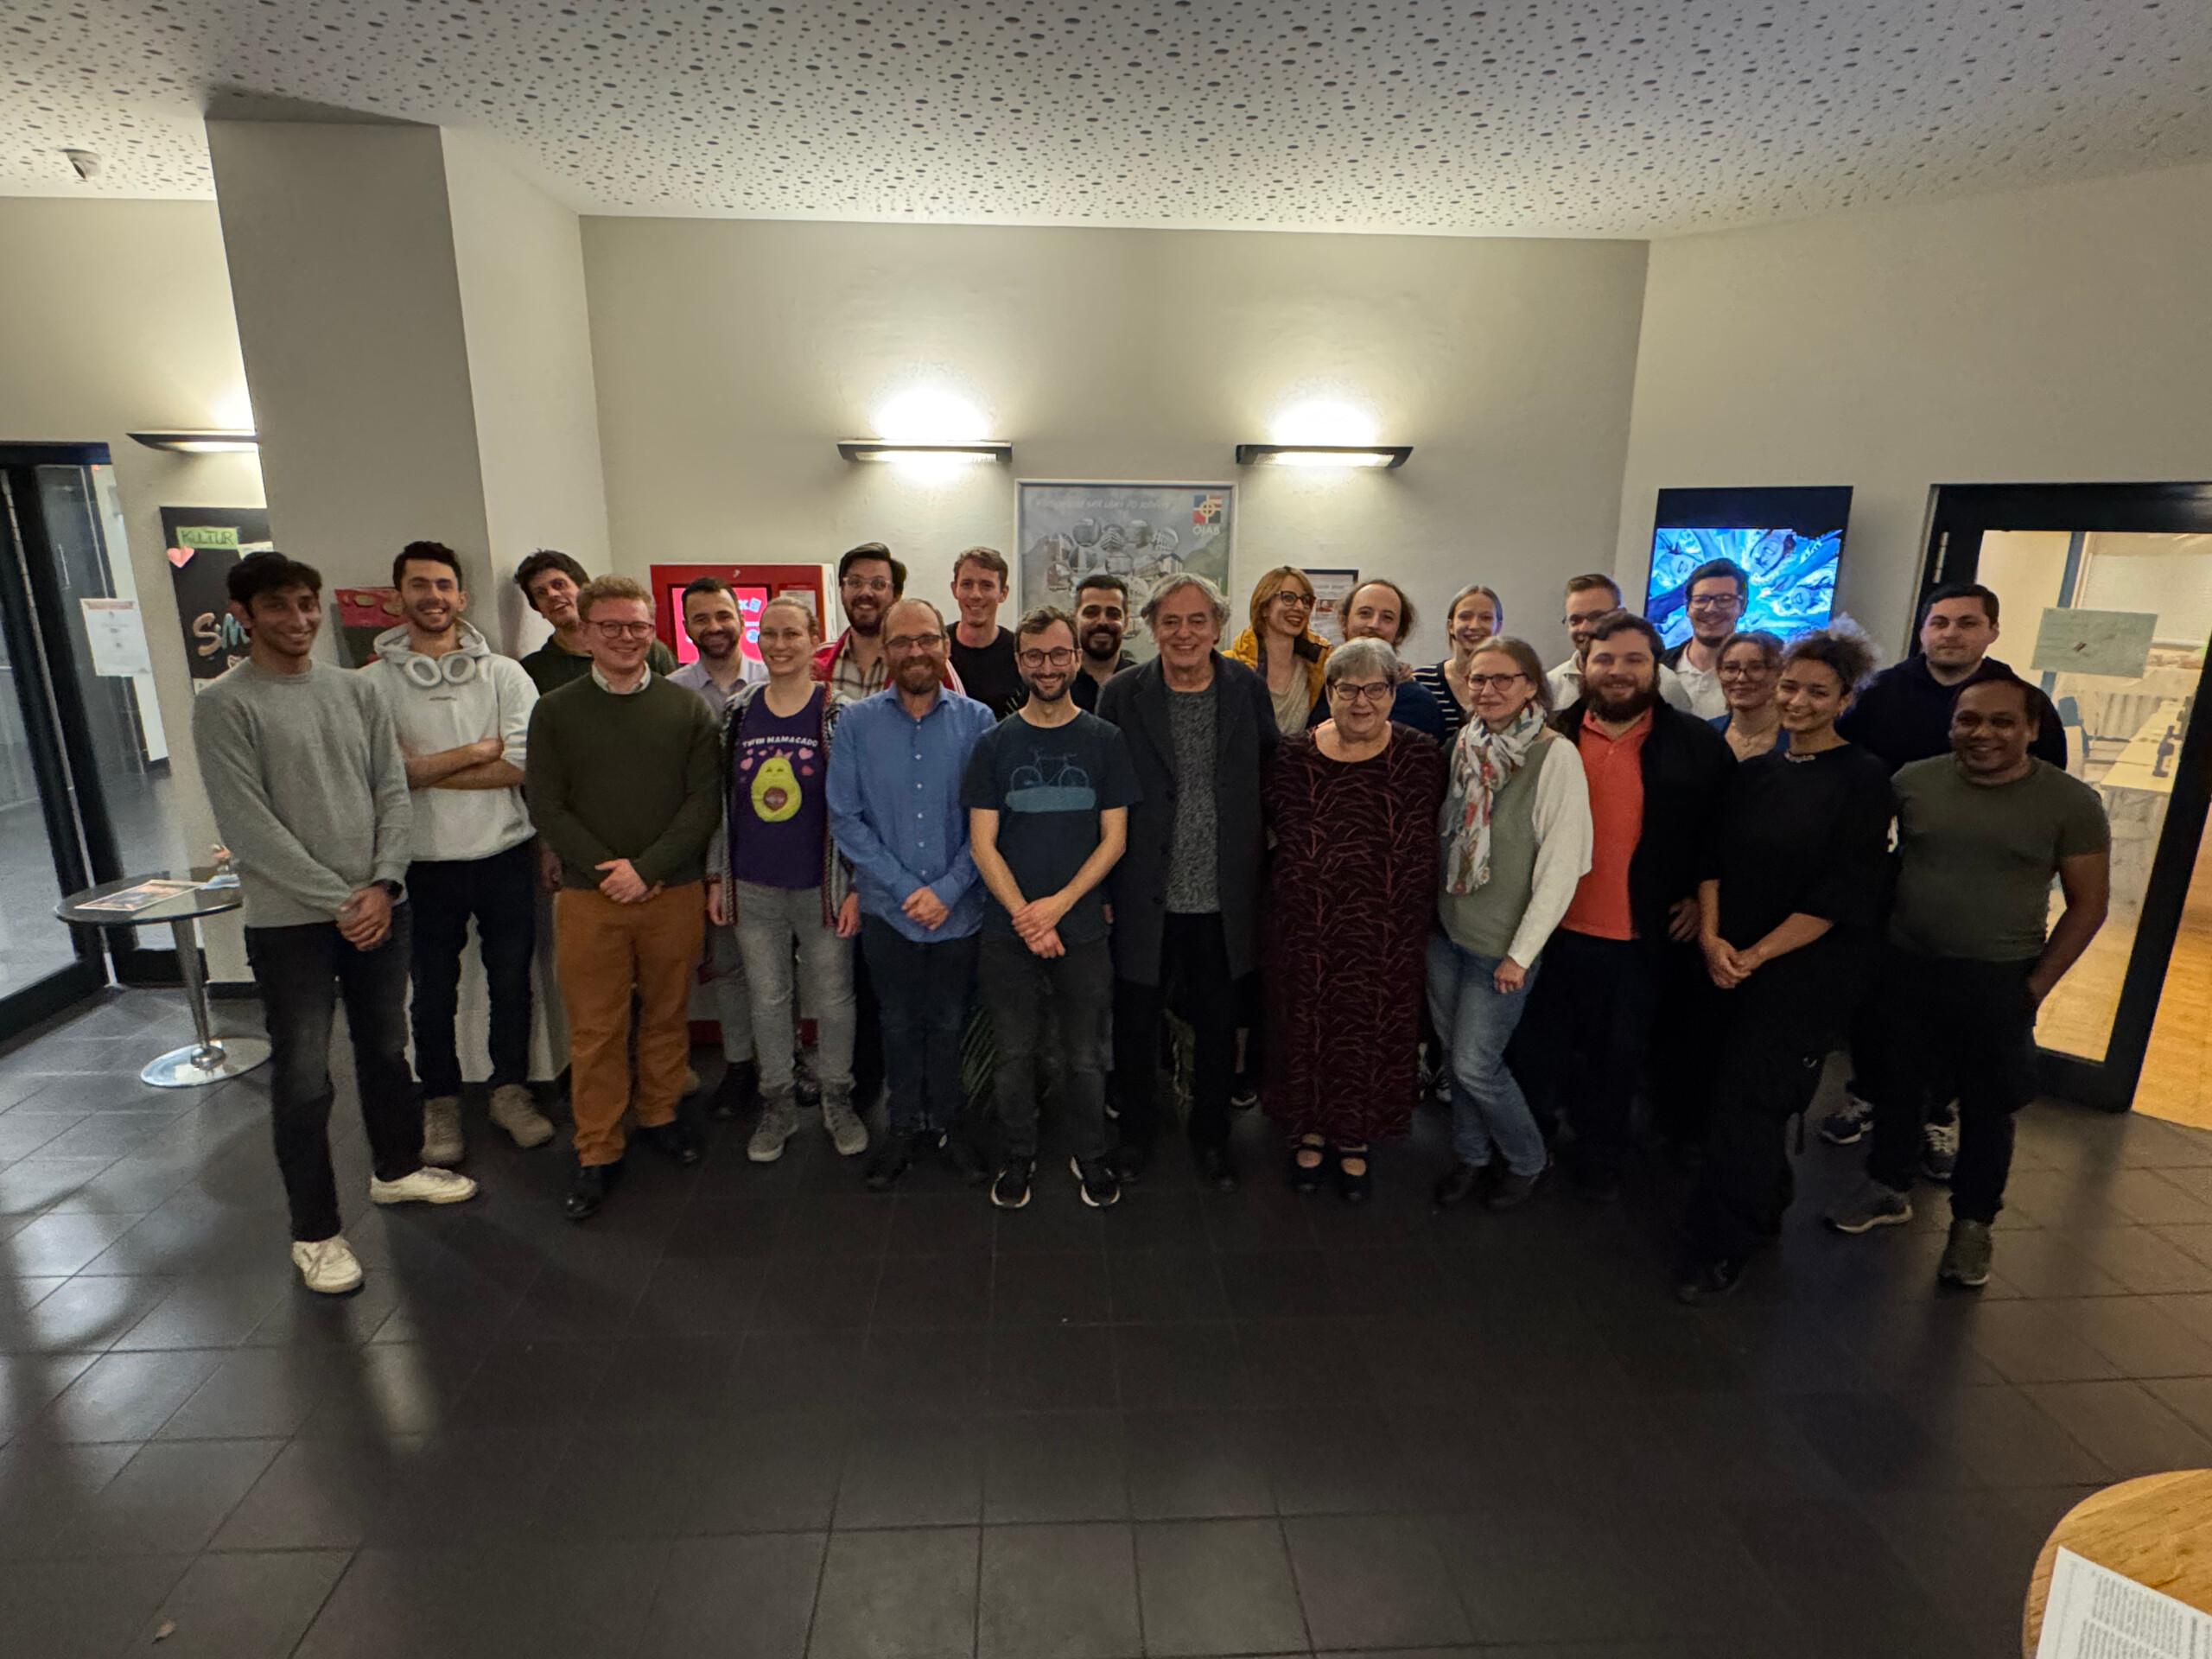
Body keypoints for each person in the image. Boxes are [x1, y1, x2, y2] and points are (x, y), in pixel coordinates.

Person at [194, 552, 477, 1296]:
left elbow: (392, 791)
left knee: (386, 1048)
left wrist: (383, 882)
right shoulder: (225, 705)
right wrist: (341, 900)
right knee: (305, 1077)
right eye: (278, 607)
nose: (298, 620)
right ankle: (315, 1232)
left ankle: (398, 1168)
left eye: (306, 604)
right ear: (244, 615)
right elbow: (248, 827)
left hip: (380, 903)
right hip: (292, 923)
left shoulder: (356, 690)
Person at [1824, 675, 2109, 1288]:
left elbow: (2089, 905)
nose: (1983, 733)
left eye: (2002, 722)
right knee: (1897, 1085)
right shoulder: (1914, 783)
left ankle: (1973, 1224)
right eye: (1968, 720)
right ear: (1951, 724)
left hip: (1998, 977)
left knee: (1988, 1107)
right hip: (1905, 964)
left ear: (2031, 729)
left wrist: (2036, 987)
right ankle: (1888, 1187)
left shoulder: (2070, 803)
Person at [1676, 627, 1894, 1303]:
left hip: (1802, 972)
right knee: (1726, 1097)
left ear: (1845, 700)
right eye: (1791, 687)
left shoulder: (1864, 779)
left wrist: (1755, 955)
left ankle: (1723, 1246)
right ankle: (1764, 1200)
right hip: (1727, 959)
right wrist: (1713, 940)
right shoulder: (1755, 773)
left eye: (1817, 692)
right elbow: (1710, 862)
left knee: (1749, 1105)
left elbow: (1840, 895)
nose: (1798, 701)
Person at [1819, 582, 2066, 1153]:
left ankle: (1939, 1111)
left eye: (1967, 622)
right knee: (1880, 1002)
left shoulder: (2019, 700)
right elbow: (1843, 760)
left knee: (1963, 1016)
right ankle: (1868, 1093)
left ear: (1992, 631)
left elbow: (2046, 787)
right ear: (1923, 629)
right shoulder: (1881, 692)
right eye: (1940, 622)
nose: (1951, 634)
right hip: (1892, 872)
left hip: (1983, 879)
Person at [524, 575, 722, 1221]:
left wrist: (650, 868)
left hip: (672, 890)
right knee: (596, 1028)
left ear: (652, 631)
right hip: (591, 897)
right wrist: (610, 870)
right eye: (610, 626)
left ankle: (660, 1113)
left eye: (637, 626)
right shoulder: (555, 712)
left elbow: (703, 801)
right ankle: (598, 1147)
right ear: (585, 632)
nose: (626, 637)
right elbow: (545, 803)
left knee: (667, 1013)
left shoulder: (685, 709)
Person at [1517, 611, 1733, 1198]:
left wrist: (1698, 899)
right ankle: (1529, 1152)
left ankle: (1601, 1159)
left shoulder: (1695, 745)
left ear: (1655, 668)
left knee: (1617, 1062)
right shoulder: (1549, 736)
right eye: (1605, 659)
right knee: (1539, 1053)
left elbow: (1718, 835)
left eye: (1634, 660)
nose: (1618, 671)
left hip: (1639, 936)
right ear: (1583, 665)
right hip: (1548, 932)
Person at [363, 540, 552, 1166]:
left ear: (462, 597)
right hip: (419, 862)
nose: (433, 596)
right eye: (420, 584)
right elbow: (381, 775)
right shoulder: (369, 686)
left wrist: (422, 769)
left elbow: (521, 764)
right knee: (431, 991)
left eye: (444, 585)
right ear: (399, 596)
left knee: (511, 982)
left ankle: (510, 1090)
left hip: (504, 853)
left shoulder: (505, 675)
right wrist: (474, 752)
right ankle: (440, 1100)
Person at [1098, 575, 1279, 1190]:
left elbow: (1272, 772)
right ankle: (1136, 1135)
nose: (1184, 633)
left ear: (1218, 626)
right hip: (1141, 893)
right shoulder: (1122, 694)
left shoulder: (1246, 689)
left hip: (1224, 897)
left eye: (1197, 620)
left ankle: (1212, 1138)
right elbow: (1101, 792)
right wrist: (1102, 890)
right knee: (1135, 1025)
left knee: (1219, 1027)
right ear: (1151, 627)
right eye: (1170, 621)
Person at [963, 606, 1141, 1210]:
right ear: (1020, 662)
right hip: (1007, 933)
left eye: (1059, 654)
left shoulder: (1105, 740)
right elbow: (982, 844)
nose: (1047, 666)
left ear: (1075, 659)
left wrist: (1057, 908)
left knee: (1085, 1058)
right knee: (1014, 1055)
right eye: (1035, 655)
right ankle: (1019, 1153)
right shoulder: (993, 744)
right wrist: (1026, 916)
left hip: (1083, 929)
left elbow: (1114, 839)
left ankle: (1089, 1153)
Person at [1262, 638, 1447, 1201]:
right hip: (1307, 929)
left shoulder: (1422, 758)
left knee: (1372, 1033)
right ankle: (1309, 1131)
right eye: (1348, 689)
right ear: (1330, 692)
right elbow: (1271, 831)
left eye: (1375, 689)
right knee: (1306, 1028)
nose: (1361, 701)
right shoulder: (1292, 757)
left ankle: (1355, 1137)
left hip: (1387, 933)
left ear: (1393, 692)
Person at [827, 597, 998, 1191]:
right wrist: (907, 890)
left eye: (927, 639)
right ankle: (902, 1126)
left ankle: (949, 1125)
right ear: (886, 651)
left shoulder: (978, 721)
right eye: (902, 641)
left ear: (945, 645)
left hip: (961, 909)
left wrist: (947, 888)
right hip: (888, 913)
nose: (916, 650)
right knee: (897, 1024)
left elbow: (991, 817)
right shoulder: (855, 723)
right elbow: (845, 817)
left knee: (949, 1022)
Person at [1427, 637, 1592, 1211]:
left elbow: (1564, 867)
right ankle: (1471, 1156)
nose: (1489, 690)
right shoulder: (1464, 744)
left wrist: (1521, 955)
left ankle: (1527, 1159)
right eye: (1479, 679)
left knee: (1476, 1065)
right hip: (1447, 933)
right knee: (1455, 1062)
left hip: (1501, 947)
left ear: (1530, 686)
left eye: (1503, 679)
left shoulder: (1555, 757)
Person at [707, 596, 869, 1162]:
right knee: (769, 998)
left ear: (813, 639)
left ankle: (837, 1098)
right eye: (769, 634)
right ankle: (777, 1102)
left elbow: (860, 804)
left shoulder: (839, 713)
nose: (779, 645)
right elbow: (722, 801)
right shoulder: (738, 712)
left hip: (822, 886)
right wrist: (716, 876)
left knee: (834, 997)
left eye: (791, 634)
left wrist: (857, 884)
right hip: (753, 884)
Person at [671, 575, 769, 1122]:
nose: (714, 626)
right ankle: (738, 1067)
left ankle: (784, 1063)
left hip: (772, 847)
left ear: (741, 619)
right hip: (708, 849)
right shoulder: (673, 693)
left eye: (723, 615)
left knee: (780, 966)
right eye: (702, 618)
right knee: (728, 965)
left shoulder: (775, 681)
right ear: (687, 627)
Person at [514, 549, 675, 693]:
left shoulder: (642, 648)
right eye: (541, 593)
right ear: (537, 608)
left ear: (583, 589)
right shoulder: (533, 670)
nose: (552, 594)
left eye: (559, 585)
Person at [1545, 575, 1693, 713]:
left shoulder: (1663, 683)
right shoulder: (1550, 687)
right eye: (1575, 620)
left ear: (1621, 615)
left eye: (1596, 616)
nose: (1585, 628)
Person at [1325, 579, 1447, 739]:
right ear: (1343, 622)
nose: (1374, 624)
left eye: (1387, 617)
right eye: (1365, 613)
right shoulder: (1317, 688)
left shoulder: (1418, 704)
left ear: (1399, 632)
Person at [1228, 565, 1331, 738]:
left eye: (1306, 600)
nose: (1300, 607)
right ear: (1264, 607)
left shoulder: (1319, 669)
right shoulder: (1232, 667)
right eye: (1288, 598)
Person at [1411, 582, 1503, 740]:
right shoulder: (1420, 681)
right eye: (1465, 616)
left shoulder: (1511, 684)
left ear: (1498, 627)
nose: (1474, 626)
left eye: (1486, 618)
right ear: (1451, 626)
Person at [1658, 557, 1747, 719]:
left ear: (1742, 607)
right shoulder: (1658, 669)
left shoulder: (1758, 679)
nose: (1711, 609)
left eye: (1724, 600)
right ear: (1688, 607)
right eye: (1701, 600)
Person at [947, 546, 1026, 718]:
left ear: (1003, 593)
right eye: (967, 584)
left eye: (986, 585)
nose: (976, 595)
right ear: (954, 589)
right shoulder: (934, 647)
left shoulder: (1020, 652)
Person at [1710, 629, 1789, 760]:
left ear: (1780, 674)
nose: (1741, 678)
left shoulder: (1797, 739)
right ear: (1719, 672)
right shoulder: (1705, 733)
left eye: (1756, 667)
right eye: (1731, 668)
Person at [1070, 573, 1136, 712]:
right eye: (1091, 612)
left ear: (1126, 623)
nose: (1102, 621)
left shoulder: (1145, 685)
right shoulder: (1058, 683)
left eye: (1113, 614)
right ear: (1075, 620)